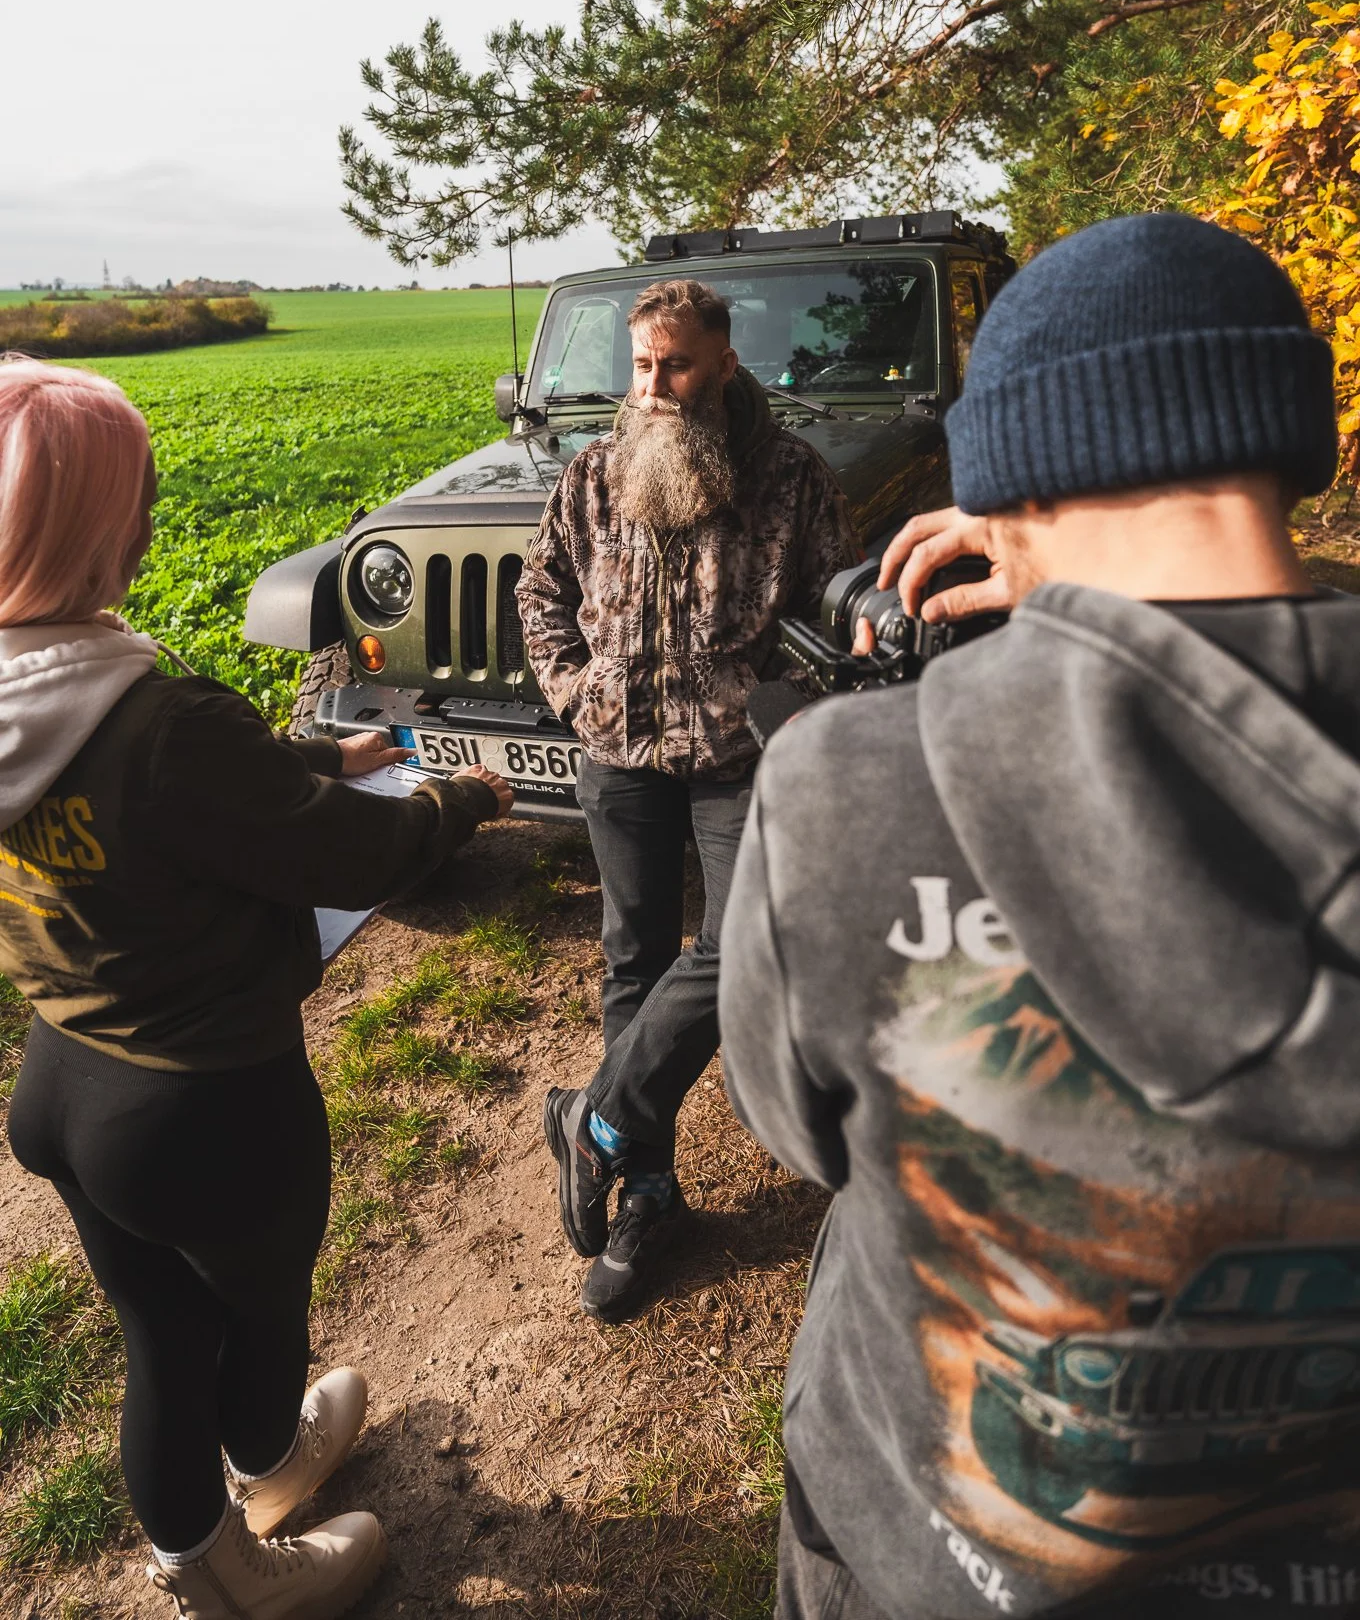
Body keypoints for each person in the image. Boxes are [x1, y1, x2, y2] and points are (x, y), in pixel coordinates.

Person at [719, 213, 1360, 1620]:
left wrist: (1045, 628)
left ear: (1004, 476)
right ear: (1284, 432)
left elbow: (792, 1127)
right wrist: (1085, 597)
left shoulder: (843, 790)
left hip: (927, 1562)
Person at [0, 357, 512, 1620]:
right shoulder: (160, 723)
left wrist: (306, 753)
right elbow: (352, 849)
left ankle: (272, 1466)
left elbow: (151, 769)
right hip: (203, 1098)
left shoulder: (34, 681)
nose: (152, 515)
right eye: (137, 495)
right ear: (91, 525)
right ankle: (225, 1566)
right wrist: (457, 799)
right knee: (228, 1321)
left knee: (155, 1321)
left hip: (64, 1071)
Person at [517, 277, 859, 1320]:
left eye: (674, 364)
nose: (655, 386)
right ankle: (644, 1191)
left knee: (744, 943)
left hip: (729, 757)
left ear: (721, 363)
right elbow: (541, 590)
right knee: (634, 957)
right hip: (616, 753)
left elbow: (831, 611)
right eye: (640, 366)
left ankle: (596, 1118)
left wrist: (789, 708)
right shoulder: (596, 469)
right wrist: (576, 691)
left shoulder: (790, 476)